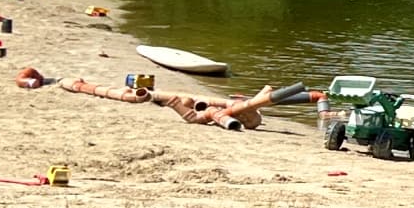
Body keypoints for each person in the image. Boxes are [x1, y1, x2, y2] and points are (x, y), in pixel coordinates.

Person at [54, 77, 278, 130]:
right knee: (193, 104)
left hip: (234, 114)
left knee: (193, 103)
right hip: (230, 115)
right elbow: (191, 113)